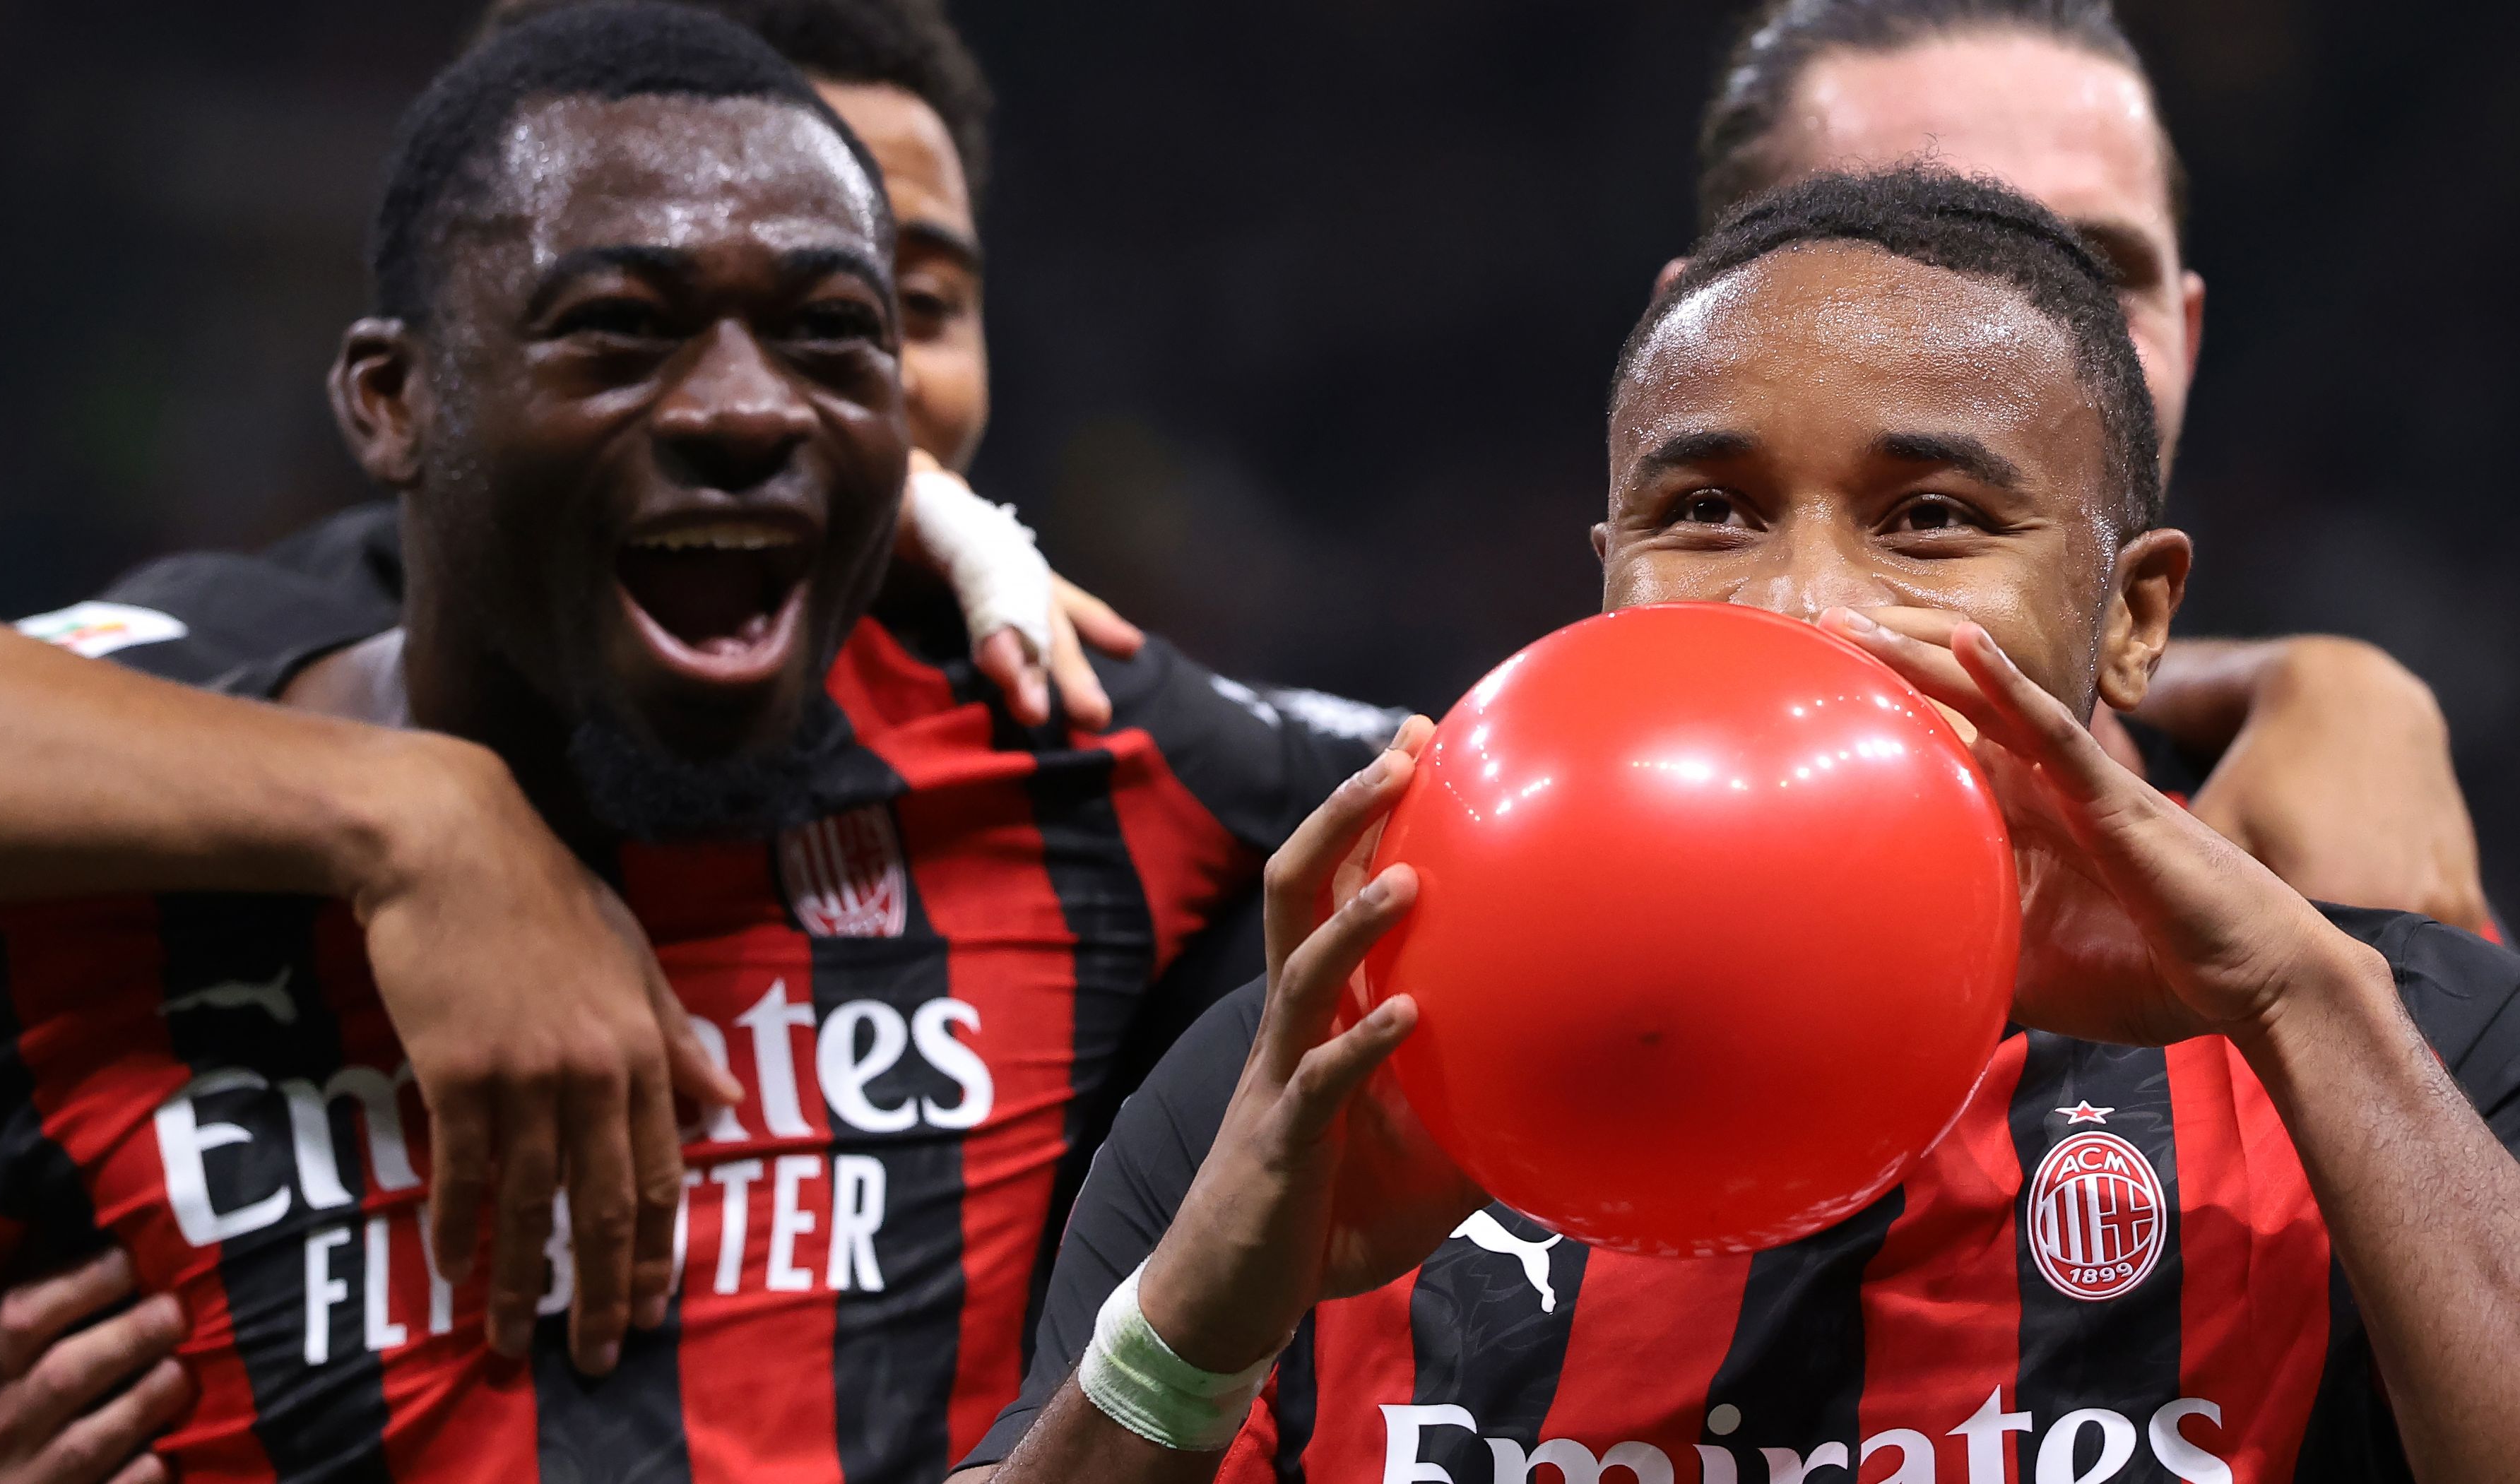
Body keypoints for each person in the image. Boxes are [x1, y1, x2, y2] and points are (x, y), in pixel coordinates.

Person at [0, 7, 1379, 1480]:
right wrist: (418, 814)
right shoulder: (120, 792)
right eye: (622, 323)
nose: (746, 408)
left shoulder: (1068, 731)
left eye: (848, 324)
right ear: (392, 398)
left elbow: (1479, 787)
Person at [971, 169, 2520, 1483]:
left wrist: (2300, 1002)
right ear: (1604, 572)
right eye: (1707, 511)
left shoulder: (2393, 1043)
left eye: (1930, 518)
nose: (1799, 604)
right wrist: (1195, 1334)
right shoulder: (1323, 1080)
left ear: (2133, 619)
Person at [1688, 0, 2489, 932]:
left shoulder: (2348, 887)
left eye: (2099, 276)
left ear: (2186, 339)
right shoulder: (1530, 885)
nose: (2025, 347)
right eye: (1899, 263)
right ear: (1692, 342)